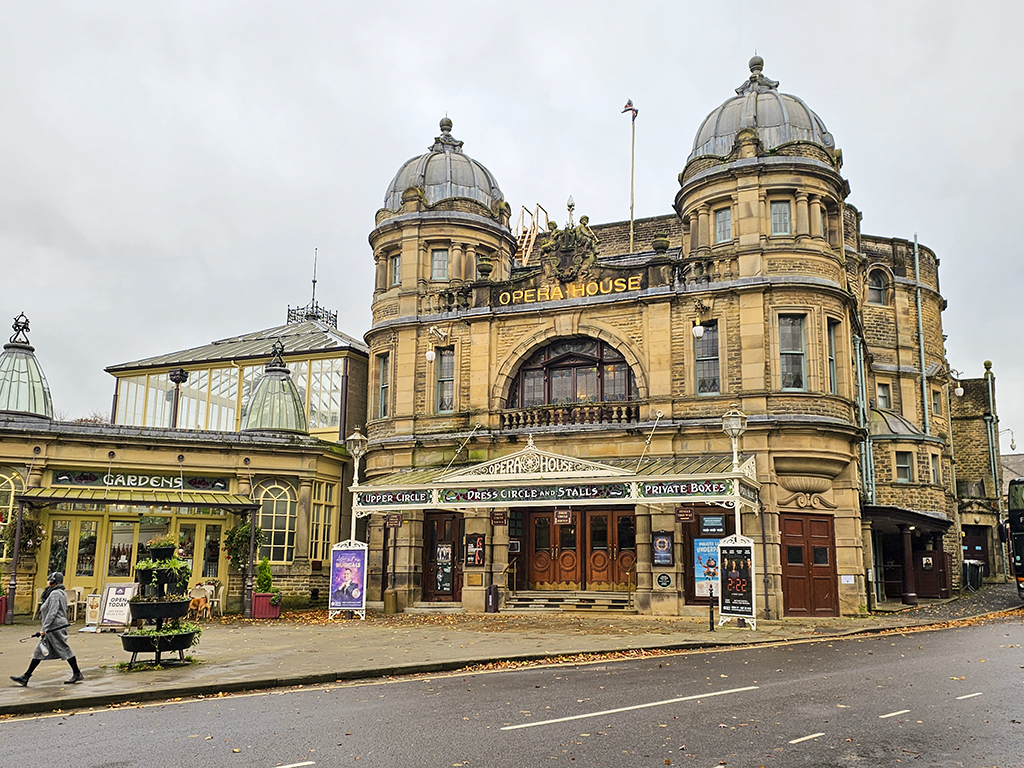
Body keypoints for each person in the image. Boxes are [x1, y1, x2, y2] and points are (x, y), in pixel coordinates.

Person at [10, 572, 83, 686]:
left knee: (64, 648)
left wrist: (45, 628)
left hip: (55, 627)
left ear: (54, 581)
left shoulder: (55, 594)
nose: (47, 581)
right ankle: (26, 676)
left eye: (49, 579)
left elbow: (52, 612)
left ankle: (77, 673)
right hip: (53, 626)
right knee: (39, 651)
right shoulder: (59, 592)